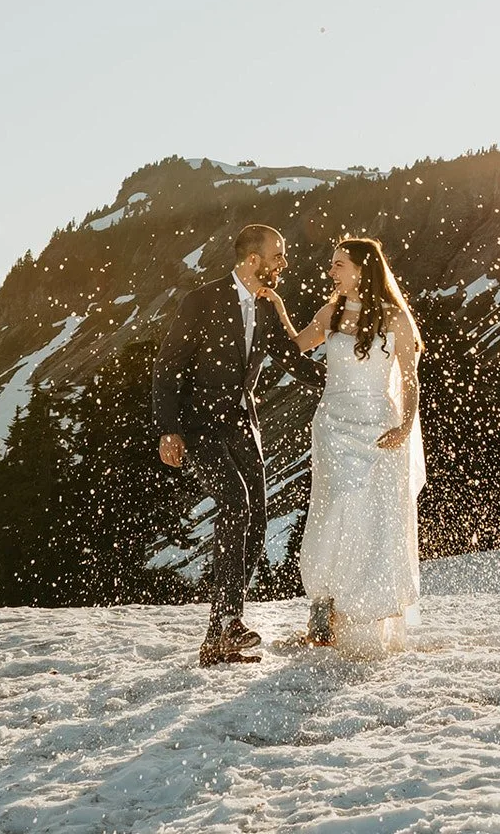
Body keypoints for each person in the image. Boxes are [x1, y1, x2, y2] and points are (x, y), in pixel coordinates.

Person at [152, 224, 325, 667]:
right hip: (199, 426)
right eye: (277, 255)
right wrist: (168, 429)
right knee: (235, 504)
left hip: (244, 425)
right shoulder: (202, 300)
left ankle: (219, 635)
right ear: (253, 259)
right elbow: (168, 366)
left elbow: (290, 359)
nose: (283, 263)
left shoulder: (266, 308)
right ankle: (228, 621)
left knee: (258, 518)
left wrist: (341, 389)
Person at [258, 236, 425, 656]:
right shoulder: (330, 312)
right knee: (331, 509)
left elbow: (408, 379)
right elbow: (295, 347)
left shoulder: (394, 319)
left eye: (339, 265)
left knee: (372, 516)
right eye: (332, 264)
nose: (331, 272)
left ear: (362, 269)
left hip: (379, 426)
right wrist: (276, 308)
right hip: (332, 424)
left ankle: (359, 614)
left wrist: (405, 425)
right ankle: (323, 604)